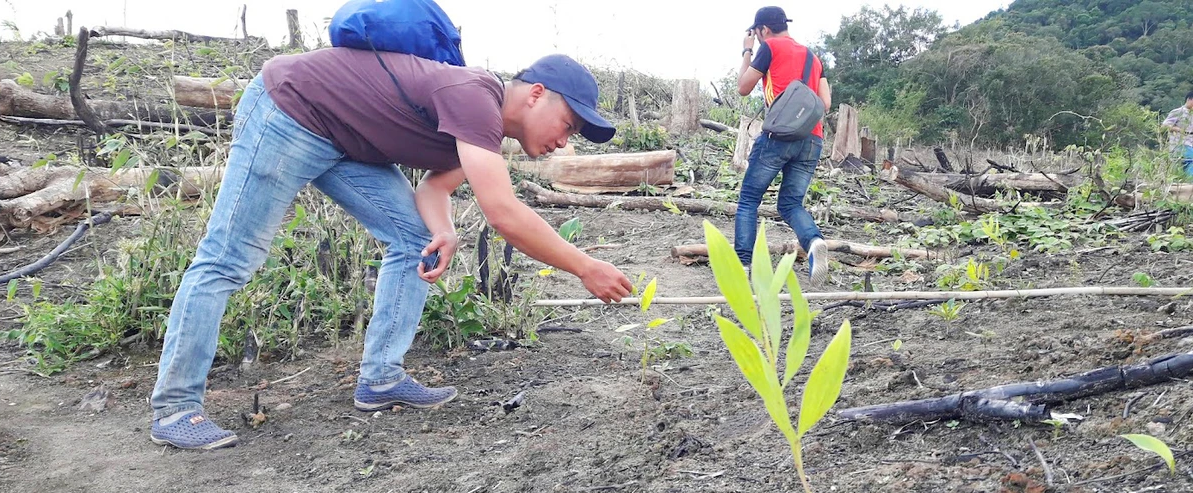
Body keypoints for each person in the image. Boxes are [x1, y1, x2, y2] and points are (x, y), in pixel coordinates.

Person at [148, 49, 633, 450]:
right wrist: (585, 266)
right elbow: (504, 214)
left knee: (412, 238)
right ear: (536, 94)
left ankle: (380, 378)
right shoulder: (473, 95)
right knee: (228, 259)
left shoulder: (481, 130)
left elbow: (434, 191)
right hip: (290, 113)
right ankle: (175, 408)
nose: (565, 141)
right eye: (569, 124)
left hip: (342, 141)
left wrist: (443, 230)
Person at [734, 6, 832, 285]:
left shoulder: (770, 47)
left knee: (749, 201)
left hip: (778, 137)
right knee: (790, 203)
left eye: (757, 33)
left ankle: (742, 266)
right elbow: (824, 103)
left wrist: (747, 50)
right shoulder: (814, 57)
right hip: (812, 139)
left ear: (763, 30)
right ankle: (814, 242)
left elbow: (743, 87)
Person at [1161, 90, 1193, 180]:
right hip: (1180, 143)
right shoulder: (1178, 112)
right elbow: (1164, 126)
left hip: (1191, 142)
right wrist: (1178, 129)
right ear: (1189, 99)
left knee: (1186, 164)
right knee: (1191, 159)